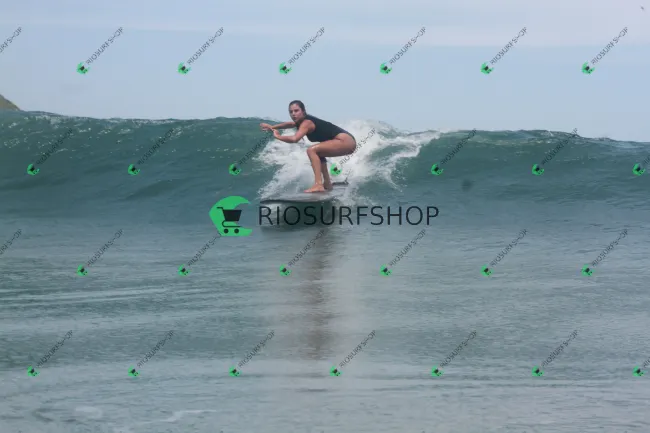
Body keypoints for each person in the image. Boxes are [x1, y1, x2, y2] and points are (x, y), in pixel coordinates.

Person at [260, 100, 356, 193]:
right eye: (291, 112)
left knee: (311, 150)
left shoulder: (307, 123)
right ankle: (327, 183)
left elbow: (294, 139)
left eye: (296, 111)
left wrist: (278, 136)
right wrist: (272, 127)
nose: (293, 114)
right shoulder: (301, 122)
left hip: (345, 141)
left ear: (303, 111)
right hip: (346, 141)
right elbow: (290, 124)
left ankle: (318, 185)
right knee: (318, 153)